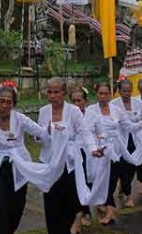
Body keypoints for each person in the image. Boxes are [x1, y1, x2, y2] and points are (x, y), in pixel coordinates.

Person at [0, 83, 48, 234]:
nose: (5, 105)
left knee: (16, 206)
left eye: (9, 101)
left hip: (19, 167)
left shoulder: (20, 119)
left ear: (14, 103)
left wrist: (53, 130)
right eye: (2, 100)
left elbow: (41, 132)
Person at [83, 82, 142, 225]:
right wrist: (94, 148)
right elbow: (87, 132)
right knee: (99, 181)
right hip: (98, 152)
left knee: (111, 182)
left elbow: (129, 127)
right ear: (97, 94)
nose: (104, 96)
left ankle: (110, 213)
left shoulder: (117, 110)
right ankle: (102, 207)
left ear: (110, 94)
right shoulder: (91, 111)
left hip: (116, 151)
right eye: (101, 93)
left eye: (106, 93)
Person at [36, 78, 90, 234]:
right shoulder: (44, 111)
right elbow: (39, 137)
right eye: (49, 92)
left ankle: (69, 226)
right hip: (49, 162)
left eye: (56, 92)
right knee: (51, 203)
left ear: (64, 94)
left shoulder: (73, 111)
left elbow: (85, 132)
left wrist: (93, 149)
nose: (52, 95)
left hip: (69, 163)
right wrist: (46, 130)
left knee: (68, 203)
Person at [110, 80, 142, 208]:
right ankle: (128, 196)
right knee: (123, 167)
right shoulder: (114, 105)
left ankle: (124, 186)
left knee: (132, 167)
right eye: (124, 91)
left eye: (129, 91)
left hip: (136, 139)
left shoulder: (138, 103)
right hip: (120, 141)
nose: (127, 93)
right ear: (119, 91)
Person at [69, 87, 92, 231]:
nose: (77, 103)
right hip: (74, 154)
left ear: (85, 101)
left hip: (89, 153)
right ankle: (77, 215)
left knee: (87, 183)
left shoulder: (92, 116)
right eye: (74, 101)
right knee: (75, 184)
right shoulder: (68, 115)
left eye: (79, 100)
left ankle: (86, 211)